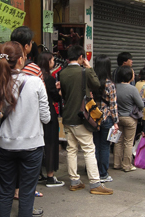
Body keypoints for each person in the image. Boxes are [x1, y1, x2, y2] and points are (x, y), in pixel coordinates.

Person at [0, 42, 51, 217]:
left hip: (6, 147)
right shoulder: (35, 82)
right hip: (32, 146)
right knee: (26, 193)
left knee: (5, 192)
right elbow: (46, 117)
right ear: (22, 59)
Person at [59, 45, 113, 195]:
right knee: (89, 149)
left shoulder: (62, 73)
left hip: (67, 116)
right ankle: (95, 183)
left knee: (71, 149)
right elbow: (96, 85)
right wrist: (89, 67)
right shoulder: (84, 71)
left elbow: (65, 94)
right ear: (81, 57)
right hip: (81, 117)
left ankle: (74, 181)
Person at [10, 25, 45, 212]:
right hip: (29, 132)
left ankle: (0, 206)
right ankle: (26, 209)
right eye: (31, 43)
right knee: (27, 174)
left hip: (7, 133)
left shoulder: (3, 65)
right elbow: (42, 104)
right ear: (26, 47)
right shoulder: (33, 69)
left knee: (7, 176)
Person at [37, 52, 64, 187]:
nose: (54, 62)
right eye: (52, 60)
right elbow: (55, 97)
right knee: (51, 144)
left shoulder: (36, 77)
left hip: (37, 114)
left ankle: (39, 174)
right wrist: (59, 91)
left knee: (39, 144)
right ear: (47, 62)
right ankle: (50, 176)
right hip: (49, 112)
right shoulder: (49, 78)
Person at [92, 55, 118, 183]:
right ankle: (103, 174)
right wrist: (116, 122)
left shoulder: (92, 82)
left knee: (95, 145)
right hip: (106, 118)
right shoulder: (110, 84)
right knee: (105, 146)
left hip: (93, 118)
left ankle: (94, 171)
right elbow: (113, 105)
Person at [114, 66, 144, 172]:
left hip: (117, 118)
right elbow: (141, 104)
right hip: (130, 118)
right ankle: (127, 165)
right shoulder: (132, 89)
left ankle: (117, 163)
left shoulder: (115, 87)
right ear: (129, 76)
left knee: (118, 141)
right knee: (128, 142)